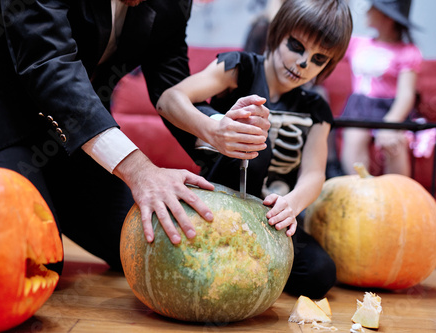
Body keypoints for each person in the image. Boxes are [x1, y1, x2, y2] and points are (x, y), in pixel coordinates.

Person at [0, 0, 268, 273]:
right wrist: (139, 171)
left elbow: (170, 79)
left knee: (154, 245)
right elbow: (49, 65)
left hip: (79, 134)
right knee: (37, 265)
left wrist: (216, 127)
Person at [157, 0, 353, 298]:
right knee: (254, 134)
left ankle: (249, 268)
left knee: (320, 274)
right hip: (220, 204)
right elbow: (169, 99)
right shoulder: (239, 67)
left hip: (270, 220)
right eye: (296, 46)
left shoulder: (316, 108)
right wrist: (214, 128)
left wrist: (293, 204)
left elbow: (314, 173)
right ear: (277, 33)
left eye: (318, 59)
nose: (303, 63)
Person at [339, 0, 422, 176]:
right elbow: (330, 40)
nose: (368, 11)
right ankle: (361, 192)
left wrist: (390, 124)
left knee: (393, 143)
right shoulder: (358, 43)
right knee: (354, 138)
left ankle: (396, 196)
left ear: (387, 18)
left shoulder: (408, 52)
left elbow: (406, 94)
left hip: (388, 109)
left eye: (373, 8)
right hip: (359, 108)